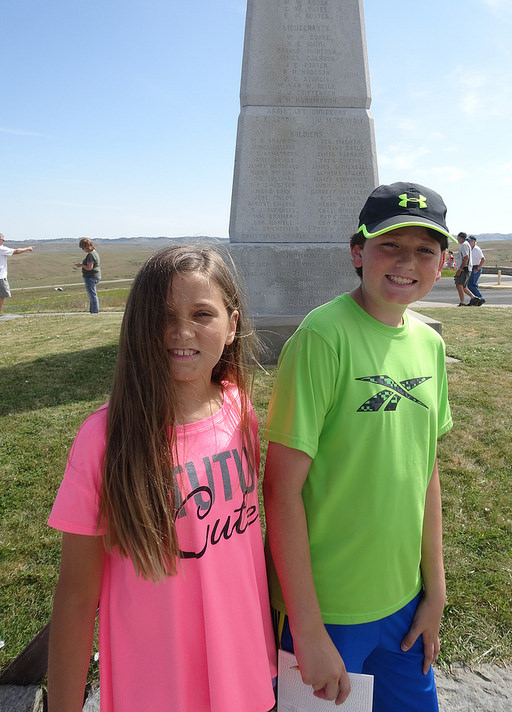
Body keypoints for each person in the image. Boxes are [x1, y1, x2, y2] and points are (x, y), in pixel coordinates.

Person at [47, 245, 276, 712]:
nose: (181, 331)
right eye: (164, 315)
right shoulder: (104, 441)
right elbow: (75, 597)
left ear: (233, 326)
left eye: (202, 314)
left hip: (245, 676)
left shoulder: (240, 410)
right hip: (155, 687)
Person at [263, 182, 455, 712]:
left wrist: (433, 591)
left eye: (424, 250)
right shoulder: (322, 338)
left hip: (402, 602)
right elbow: (280, 492)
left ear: (443, 262)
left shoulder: (430, 344)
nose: (406, 262)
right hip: (326, 609)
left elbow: (426, 474)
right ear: (357, 252)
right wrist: (307, 629)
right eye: (389, 245)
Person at [0, 233, 34, 315]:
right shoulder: (1, 249)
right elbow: (15, 251)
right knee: (1, 296)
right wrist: (27, 248)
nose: (3, 241)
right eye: (2, 240)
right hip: (0, 276)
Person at [73, 238, 101, 313]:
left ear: (86, 246)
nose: (83, 250)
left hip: (91, 277)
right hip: (95, 276)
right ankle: (93, 311)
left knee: (92, 295)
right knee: (93, 294)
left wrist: (81, 265)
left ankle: (94, 312)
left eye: (83, 248)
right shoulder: (94, 252)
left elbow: (89, 268)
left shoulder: (90, 255)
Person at [454, 232, 473, 306]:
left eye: (458, 238)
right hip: (467, 268)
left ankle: (462, 302)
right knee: (463, 286)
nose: (457, 240)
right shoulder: (467, 244)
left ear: (461, 238)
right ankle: (473, 298)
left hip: (464, 269)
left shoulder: (464, 245)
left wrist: (460, 269)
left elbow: (466, 258)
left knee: (459, 285)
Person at [466, 235, 486, 306]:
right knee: (471, 285)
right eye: (468, 241)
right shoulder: (470, 249)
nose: (468, 242)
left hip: (475, 268)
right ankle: (474, 301)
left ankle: (480, 298)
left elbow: (483, 259)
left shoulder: (476, 249)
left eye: (470, 241)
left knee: (472, 285)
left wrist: (477, 268)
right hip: (471, 267)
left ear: (474, 242)